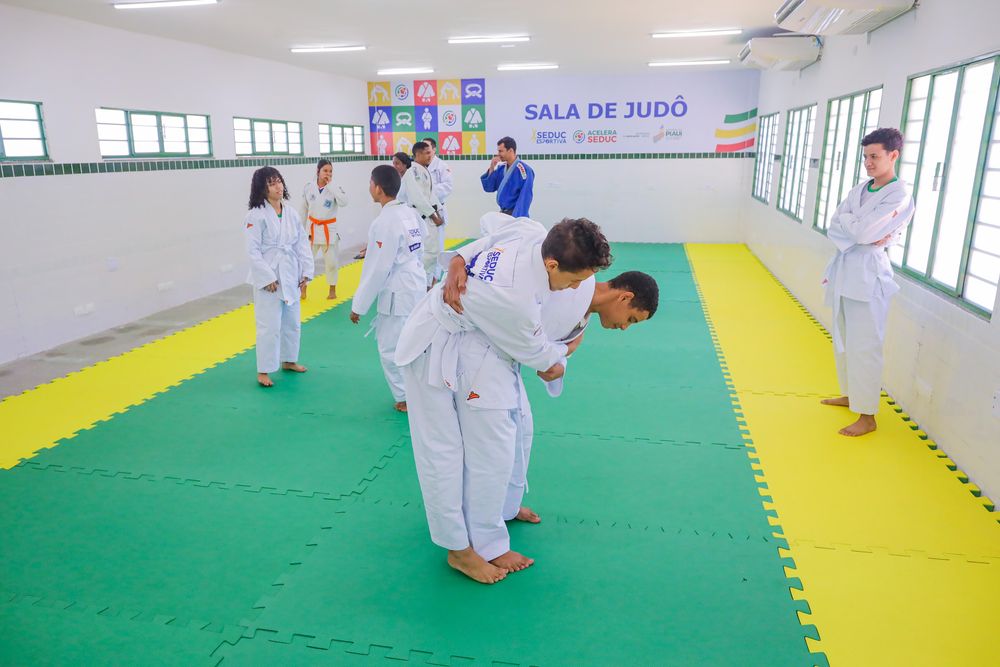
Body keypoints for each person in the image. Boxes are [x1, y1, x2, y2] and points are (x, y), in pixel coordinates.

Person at [394, 216, 612, 584]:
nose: (573, 289)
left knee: (495, 441)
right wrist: (566, 353)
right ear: (552, 264)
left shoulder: (531, 232)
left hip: (467, 345)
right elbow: (540, 358)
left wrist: (459, 259)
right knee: (443, 451)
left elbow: (490, 224)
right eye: (573, 281)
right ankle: (458, 550)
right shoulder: (516, 300)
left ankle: (487, 528)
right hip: (431, 347)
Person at [444, 213, 660, 524]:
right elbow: (543, 363)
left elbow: (543, 355)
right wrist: (459, 260)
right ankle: (475, 530)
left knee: (523, 433)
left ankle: (507, 507)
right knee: (490, 449)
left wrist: (561, 353)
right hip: (476, 353)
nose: (625, 327)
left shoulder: (580, 318)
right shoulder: (564, 282)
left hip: (507, 361)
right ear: (625, 297)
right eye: (631, 319)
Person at [820, 128, 914, 437]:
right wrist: (857, 228)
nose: (869, 163)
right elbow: (834, 224)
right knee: (844, 339)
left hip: (869, 275)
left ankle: (868, 415)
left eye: (874, 157)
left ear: (893, 155)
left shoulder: (900, 194)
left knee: (866, 346)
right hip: (847, 268)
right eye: (865, 157)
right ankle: (851, 395)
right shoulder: (860, 189)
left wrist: (856, 228)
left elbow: (861, 234)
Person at [349, 165, 426, 413]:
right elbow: (418, 244)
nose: (369, 188)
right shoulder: (409, 213)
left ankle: (405, 396)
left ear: (379, 189)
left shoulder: (384, 221)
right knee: (416, 341)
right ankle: (421, 391)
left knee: (390, 347)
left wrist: (358, 306)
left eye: (371, 183)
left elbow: (378, 269)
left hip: (398, 291)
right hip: (415, 284)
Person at [243, 167, 313, 388]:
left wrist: (306, 271)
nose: (278, 187)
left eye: (279, 181)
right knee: (269, 325)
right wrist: (266, 277)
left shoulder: (291, 212)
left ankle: (289, 360)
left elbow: (301, 243)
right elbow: (252, 251)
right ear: (262, 188)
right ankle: (263, 369)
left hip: (290, 271)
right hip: (269, 276)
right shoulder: (255, 215)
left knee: (292, 321)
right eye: (272, 183)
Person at [299, 159, 348, 300]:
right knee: (306, 262)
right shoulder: (309, 187)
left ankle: (332, 290)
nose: (328, 173)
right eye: (325, 171)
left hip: (329, 231)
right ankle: (303, 288)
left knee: (331, 263)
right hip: (312, 231)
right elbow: (303, 210)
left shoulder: (335, 188)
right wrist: (299, 231)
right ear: (318, 172)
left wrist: (331, 186)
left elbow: (344, 202)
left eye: (330, 171)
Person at [407, 142, 445, 286]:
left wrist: (438, 211)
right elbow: (418, 198)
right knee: (427, 253)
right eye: (427, 153)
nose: (430, 156)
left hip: (430, 215)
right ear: (418, 154)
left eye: (430, 153)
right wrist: (433, 215)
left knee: (433, 253)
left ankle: (428, 285)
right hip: (424, 217)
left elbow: (429, 194)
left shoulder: (423, 169)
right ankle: (420, 284)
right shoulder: (414, 172)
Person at [423, 136, 454, 284]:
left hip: (437, 211)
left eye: (428, 150)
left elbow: (448, 187)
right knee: (424, 249)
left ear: (434, 149)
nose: (426, 153)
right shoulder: (418, 166)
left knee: (437, 249)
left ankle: (434, 281)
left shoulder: (441, 166)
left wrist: (428, 190)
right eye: (423, 150)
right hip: (422, 213)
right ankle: (426, 279)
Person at [480, 136, 534, 218]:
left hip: (516, 215)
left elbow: (525, 197)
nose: (498, 154)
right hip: (503, 214)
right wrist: (492, 167)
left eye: (501, 151)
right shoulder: (501, 168)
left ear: (511, 151)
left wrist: (518, 219)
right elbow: (489, 188)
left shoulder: (524, 171)